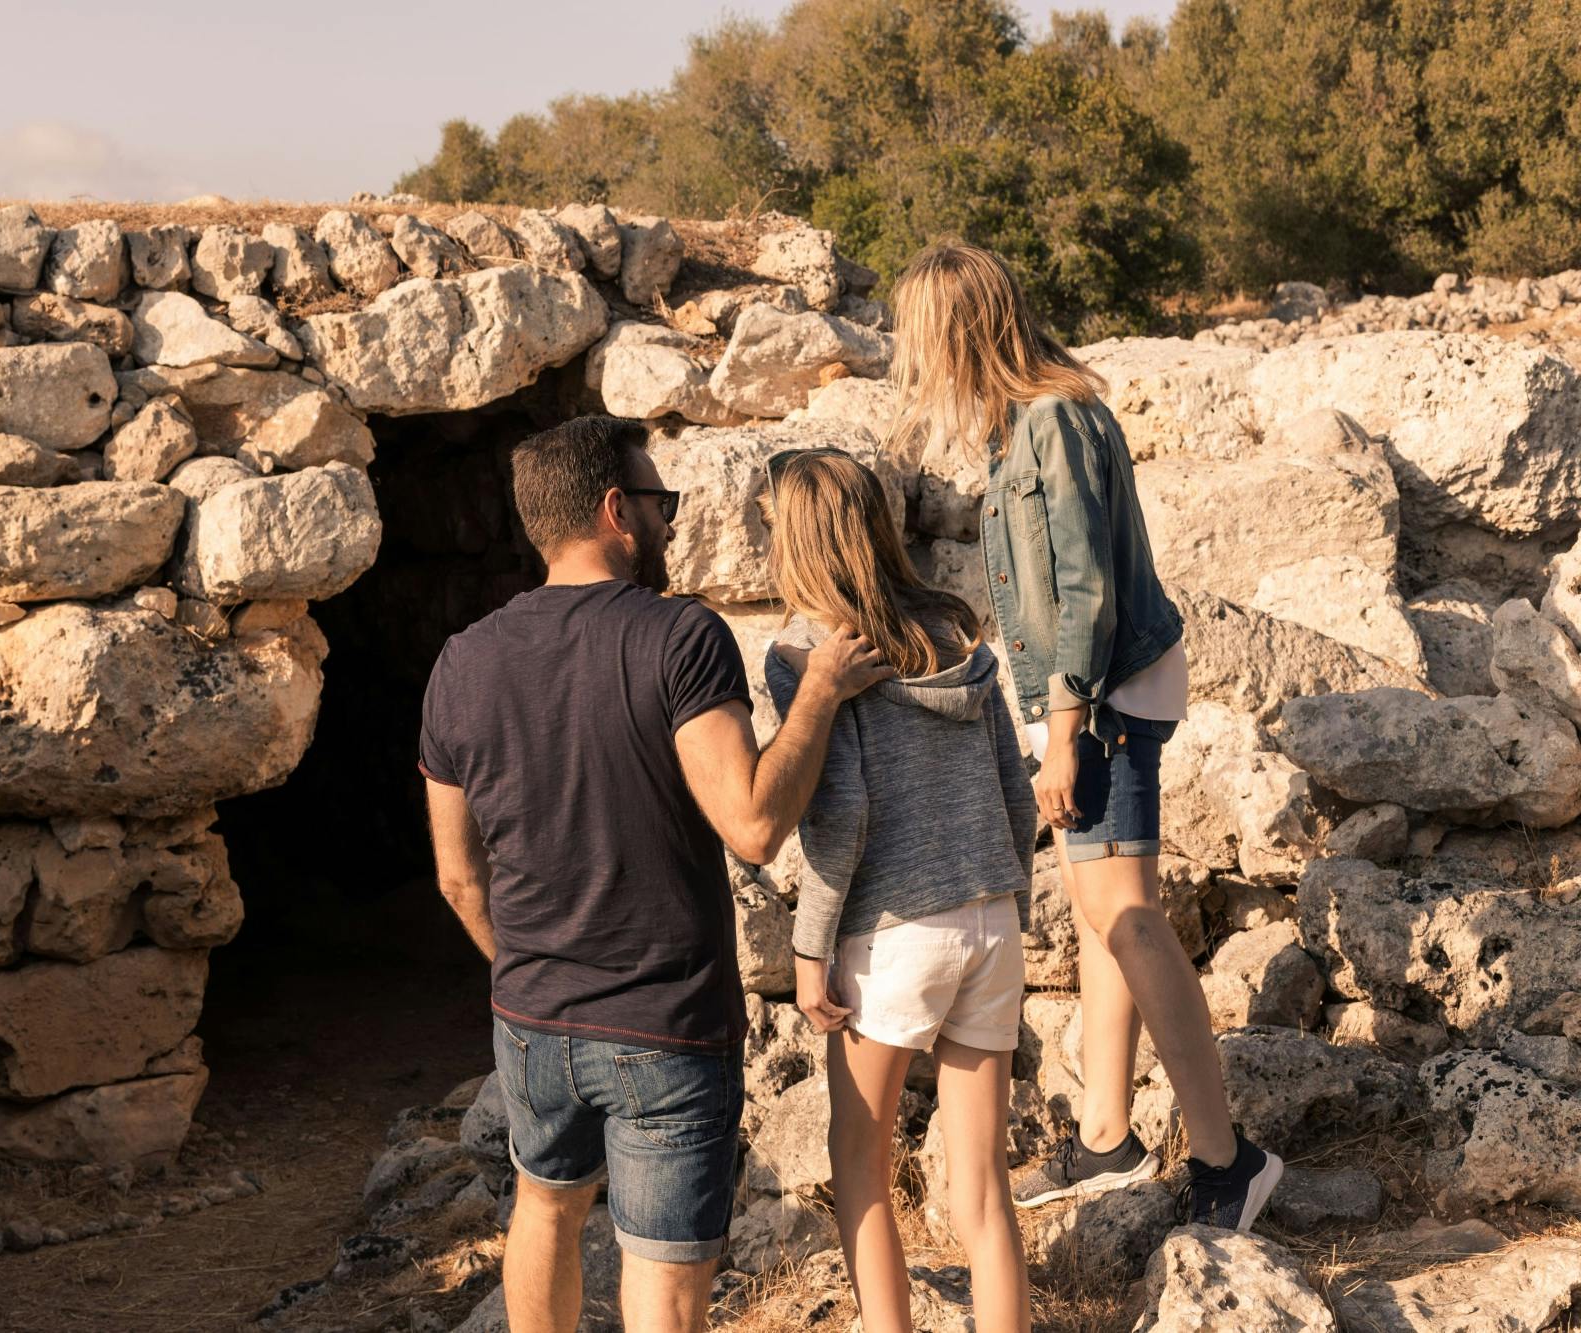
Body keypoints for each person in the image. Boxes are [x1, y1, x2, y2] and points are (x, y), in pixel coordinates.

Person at [418, 415, 891, 1333]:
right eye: (660, 503)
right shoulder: (679, 638)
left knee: (544, 1208)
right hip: (665, 1024)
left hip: (529, 1017)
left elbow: (456, 876)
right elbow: (752, 824)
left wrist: (522, 969)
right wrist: (823, 694)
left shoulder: (460, 661)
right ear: (614, 510)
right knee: (662, 1278)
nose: (670, 525)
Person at [890, 242, 1283, 1230]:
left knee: (1130, 921)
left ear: (955, 332)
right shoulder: (1028, 424)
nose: (912, 357)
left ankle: (1226, 1160)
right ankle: (1104, 1139)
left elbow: (1084, 591)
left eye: (919, 336)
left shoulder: (1052, 424)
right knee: (1108, 920)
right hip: (1093, 697)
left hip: (1099, 701)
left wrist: (1063, 732)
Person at [761, 447, 1036, 1333]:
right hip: (990, 917)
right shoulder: (957, 633)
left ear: (796, 541)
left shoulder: (806, 654)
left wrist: (809, 951)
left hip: (893, 934)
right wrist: (1010, 907)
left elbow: (837, 818)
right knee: (984, 1189)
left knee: (859, 1163)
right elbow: (1014, 789)